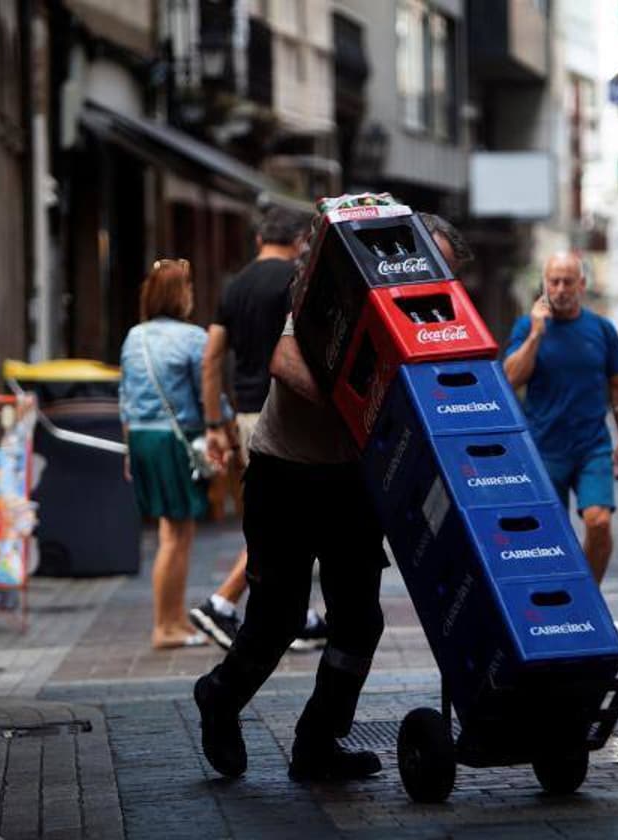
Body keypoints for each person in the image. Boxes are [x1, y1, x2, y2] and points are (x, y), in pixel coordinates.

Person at [193, 207, 474, 782]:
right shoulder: (344, 291)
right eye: (429, 266)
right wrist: (358, 407)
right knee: (277, 619)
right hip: (285, 475)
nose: (431, 283)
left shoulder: (433, 312)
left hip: (351, 483)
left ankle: (317, 743)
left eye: (444, 276)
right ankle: (220, 697)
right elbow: (282, 358)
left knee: (358, 622)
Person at [191, 207, 329, 651]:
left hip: (244, 413)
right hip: (283, 414)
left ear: (258, 241)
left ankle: (293, 614)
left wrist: (214, 422)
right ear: (300, 241)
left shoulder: (236, 284)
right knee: (287, 519)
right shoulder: (297, 279)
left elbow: (211, 357)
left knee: (282, 518)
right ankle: (224, 602)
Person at [502, 252, 618, 584]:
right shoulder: (527, 327)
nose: (560, 289)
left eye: (567, 281)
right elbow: (510, 378)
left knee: (599, 523)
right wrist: (535, 334)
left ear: (582, 285)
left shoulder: (601, 329)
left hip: (592, 447)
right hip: (544, 449)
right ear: (545, 284)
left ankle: (589, 596)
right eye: (553, 281)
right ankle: (562, 598)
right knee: (552, 535)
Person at [119, 258, 227, 648]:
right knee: (176, 535)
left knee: (173, 532)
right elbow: (208, 393)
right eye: (189, 289)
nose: (193, 295)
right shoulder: (192, 337)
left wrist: (130, 449)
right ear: (180, 294)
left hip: (143, 439)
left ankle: (175, 620)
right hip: (175, 440)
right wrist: (221, 428)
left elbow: (125, 398)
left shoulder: (134, 337)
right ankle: (164, 627)